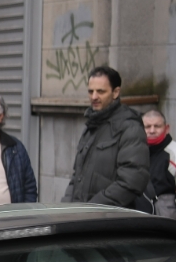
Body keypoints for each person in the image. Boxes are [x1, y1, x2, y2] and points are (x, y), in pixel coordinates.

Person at [64, 65, 149, 207]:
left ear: (115, 92)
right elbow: (77, 176)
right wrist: (65, 208)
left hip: (108, 221)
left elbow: (132, 180)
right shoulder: (92, 125)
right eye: (91, 91)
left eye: (100, 91)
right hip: (81, 217)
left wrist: (92, 209)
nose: (94, 97)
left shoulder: (130, 127)